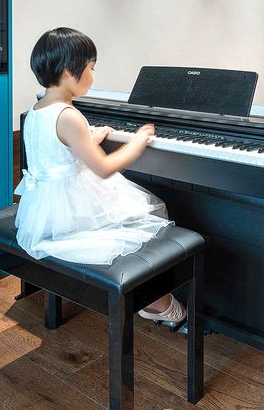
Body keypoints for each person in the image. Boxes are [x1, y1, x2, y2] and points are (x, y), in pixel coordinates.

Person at [15, 27, 186, 324]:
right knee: (143, 217)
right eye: (91, 68)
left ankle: (147, 294)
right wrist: (137, 142)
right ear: (69, 71)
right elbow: (104, 169)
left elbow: (55, 150)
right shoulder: (69, 115)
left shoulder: (36, 109)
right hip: (72, 208)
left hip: (44, 207)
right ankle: (151, 299)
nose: (93, 76)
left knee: (134, 219)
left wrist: (88, 141)